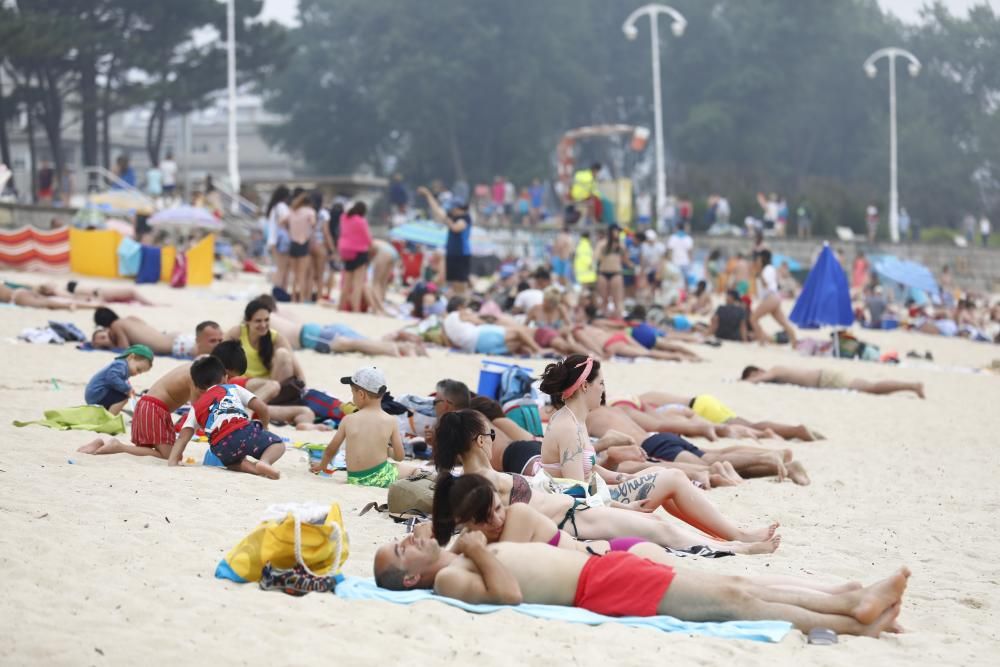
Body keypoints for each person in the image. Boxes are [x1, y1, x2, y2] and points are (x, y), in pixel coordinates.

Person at [374, 528, 909, 637]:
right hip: (598, 591)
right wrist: (470, 548)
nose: (409, 539)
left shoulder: (453, 560)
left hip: (602, 570)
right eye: (401, 549)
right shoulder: (446, 580)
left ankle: (847, 598)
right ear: (413, 575)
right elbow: (508, 594)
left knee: (734, 579)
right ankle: (856, 624)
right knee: (732, 600)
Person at [433, 408, 779, 555]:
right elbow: (494, 525)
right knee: (662, 532)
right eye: (490, 434)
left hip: (579, 511)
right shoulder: (485, 482)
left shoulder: (478, 479)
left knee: (658, 525)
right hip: (574, 521)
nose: (493, 438)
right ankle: (739, 547)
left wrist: (612, 500)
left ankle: (734, 544)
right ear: (480, 441)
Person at [538, 355, 779, 543]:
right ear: (584, 387)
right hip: (585, 512)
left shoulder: (575, 420)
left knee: (670, 477)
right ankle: (735, 535)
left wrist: (623, 476)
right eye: (601, 383)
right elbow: (575, 494)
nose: (603, 389)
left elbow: (587, 471)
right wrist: (624, 506)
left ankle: (727, 534)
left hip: (597, 496)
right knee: (672, 477)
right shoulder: (568, 427)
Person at [78, 342, 315, 458]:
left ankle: (108, 445)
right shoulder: (198, 374)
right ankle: (116, 447)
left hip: (150, 407)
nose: (228, 381)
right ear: (224, 369)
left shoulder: (200, 365)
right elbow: (197, 407)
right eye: (229, 376)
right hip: (154, 409)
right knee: (167, 455)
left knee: (154, 450)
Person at [167, 357, 284, 478]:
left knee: (232, 463)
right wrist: (264, 426)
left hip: (220, 447)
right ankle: (264, 462)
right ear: (225, 377)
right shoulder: (233, 388)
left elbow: (183, 437)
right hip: (243, 431)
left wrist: (173, 460)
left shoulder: (195, 407)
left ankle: (255, 469)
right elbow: (262, 408)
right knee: (277, 445)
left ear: (198, 387)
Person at [310, 367, 418, 486]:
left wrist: (323, 465)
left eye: (353, 393)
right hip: (382, 477)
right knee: (414, 471)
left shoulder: (348, 419)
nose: (352, 398)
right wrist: (386, 450)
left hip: (355, 478)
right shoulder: (390, 421)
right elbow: (399, 457)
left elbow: (331, 449)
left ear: (361, 394)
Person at [225, 299, 305, 387]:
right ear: (248, 321)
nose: (263, 325)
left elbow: (298, 371)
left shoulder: (276, 338)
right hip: (244, 384)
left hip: (270, 385)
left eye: (266, 320)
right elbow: (219, 357)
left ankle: (277, 396)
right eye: (258, 321)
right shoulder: (237, 332)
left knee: (283, 354)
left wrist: (304, 388)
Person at [90, 308, 220, 358]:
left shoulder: (116, 325)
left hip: (176, 345)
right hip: (177, 337)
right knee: (217, 345)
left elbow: (124, 350)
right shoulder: (130, 318)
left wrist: (111, 345)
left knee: (215, 353)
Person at [741, 365, 925, 398]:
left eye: (754, 376)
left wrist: (744, 383)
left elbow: (763, 378)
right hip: (826, 378)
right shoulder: (777, 373)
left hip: (827, 379)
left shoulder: (775, 369)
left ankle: (911, 385)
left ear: (757, 371)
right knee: (870, 386)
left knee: (871, 387)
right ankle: (911, 386)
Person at [443, 296, 541, 356]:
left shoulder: (445, 322)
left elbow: (448, 343)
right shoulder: (459, 313)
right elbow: (479, 322)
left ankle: (535, 351)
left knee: (516, 343)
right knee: (518, 332)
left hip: (475, 348)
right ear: (459, 307)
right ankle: (538, 350)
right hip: (480, 335)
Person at [419, 186, 471, 295]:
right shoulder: (452, 217)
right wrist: (428, 195)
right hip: (451, 253)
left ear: (458, 208)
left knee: (460, 285)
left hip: (461, 255)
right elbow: (438, 211)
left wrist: (447, 220)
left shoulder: (466, 218)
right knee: (452, 283)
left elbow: (456, 228)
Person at [84, 344, 153, 414]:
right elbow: (112, 378)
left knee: (120, 395)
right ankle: (110, 418)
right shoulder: (120, 365)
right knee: (124, 398)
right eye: (138, 369)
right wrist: (127, 389)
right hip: (97, 394)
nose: (136, 373)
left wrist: (129, 389)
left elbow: (119, 381)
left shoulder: (122, 366)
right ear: (131, 357)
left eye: (140, 372)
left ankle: (106, 413)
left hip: (96, 394)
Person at [748, 249, 797, 347]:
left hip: (771, 298)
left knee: (753, 318)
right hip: (773, 298)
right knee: (783, 322)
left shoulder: (767, 269)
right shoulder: (768, 269)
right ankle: (794, 343)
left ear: (762, 259)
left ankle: (761, 341)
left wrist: (760, 274)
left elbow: (766, 284)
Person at [337, 201, 373, 312]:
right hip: (359, 252)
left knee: (346, 282)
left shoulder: (344, 218)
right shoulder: (361, 221)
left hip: (346, 252)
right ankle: (355, 309)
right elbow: (368, 239)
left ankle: (340, 307)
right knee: (358, 283)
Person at [285, 192, 317, 302]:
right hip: (303, 242)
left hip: (293, 242)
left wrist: (289, 230)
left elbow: (281, 222)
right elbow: (313, 223)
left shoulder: (292, 211)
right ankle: (302, 298)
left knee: (294, 274)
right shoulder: (310, 212)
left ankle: (293, 297)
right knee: (302, 274)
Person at [595, 226, 628, 318]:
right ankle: (603, 315)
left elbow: (625, 259)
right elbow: (596, 256)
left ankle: (618, 315)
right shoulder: (602, 244)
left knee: (617, 299)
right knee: (603, 298)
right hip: (603, 272)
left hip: (616, 272)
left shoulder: (621, 245)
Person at [265, 185, 292, 294]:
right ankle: (278, 291)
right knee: (282, 268)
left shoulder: (273, 207)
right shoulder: (282, 206)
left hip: (272, 240)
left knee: (279, 267)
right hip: (280, 241)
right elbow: (286, 219)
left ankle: (280, 290)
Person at [667, 222, 694, 287]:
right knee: (686, 281)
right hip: (685, 262)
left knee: (675, 281)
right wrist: (691, 263)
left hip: (675, 262)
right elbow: (690, 252)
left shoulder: (672, 238)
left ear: (676, 228)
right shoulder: (688, 238)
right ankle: (686, 293)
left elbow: (669, 251)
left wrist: (669, 262)